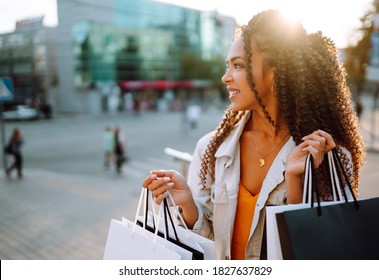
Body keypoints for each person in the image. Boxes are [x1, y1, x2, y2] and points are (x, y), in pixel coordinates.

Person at [142, 10, 365, 260]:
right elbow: (208, 245)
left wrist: (295, 182)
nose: (225, 77)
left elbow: (321, 252)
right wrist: (188, 205)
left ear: (276, 73)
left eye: (238, 65)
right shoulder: (210, 149)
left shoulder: (327, 155)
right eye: (228, 66)